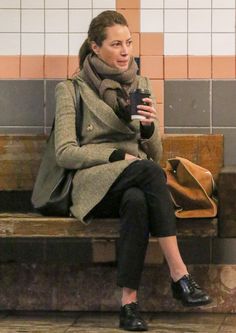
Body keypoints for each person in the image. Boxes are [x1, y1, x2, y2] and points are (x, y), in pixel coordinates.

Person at [54, 10, 212, 332]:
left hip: (136, 179)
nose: (126, 51)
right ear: (95, 47)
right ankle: (180, 275)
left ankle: (128, 305)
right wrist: (116, 157)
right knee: (149, 173)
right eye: (116, 44)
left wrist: (149, 128)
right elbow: (65, 153)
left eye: (128, 43)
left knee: (139, 199)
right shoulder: (71, 89)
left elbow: (155, 153)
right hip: (94, 185)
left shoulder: (140, 84)